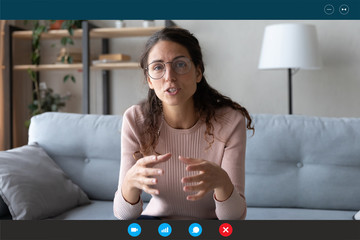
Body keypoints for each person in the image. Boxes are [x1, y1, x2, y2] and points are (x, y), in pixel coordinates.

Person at [113, 27, 254, 220]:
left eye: (180, 64)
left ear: (198, 72)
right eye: (158, 67)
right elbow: (123, 216)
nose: (169, 76)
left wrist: (223, 182)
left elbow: (234, 219)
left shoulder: (230, 121)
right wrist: (129, 183)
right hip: (157, 221)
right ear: (149, 81)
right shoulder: (136, 120)